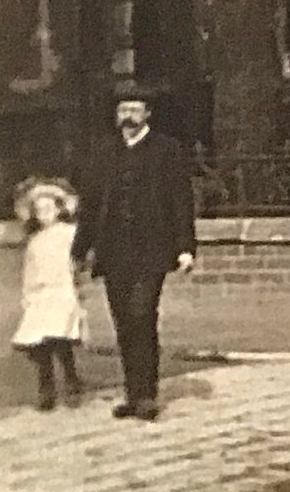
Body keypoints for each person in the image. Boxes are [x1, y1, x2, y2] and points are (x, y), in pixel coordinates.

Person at [71, 81, 196, 421]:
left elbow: (180, 202)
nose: (128, 116)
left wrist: (185, 248)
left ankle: (148, 395)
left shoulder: (167, 151)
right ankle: (132, 392)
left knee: (142, 316)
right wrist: (79, 251)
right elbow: (91, 206)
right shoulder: (103, 151)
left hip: (152, 250)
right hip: (114, 252)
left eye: (134, 110)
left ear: (148, 114)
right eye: (123, 110)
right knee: (124, 322)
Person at [12, 177, 86, 410]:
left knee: (59, 339)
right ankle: (46, 388)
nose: (44, 213)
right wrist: (28, 295)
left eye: (48, 208)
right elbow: (30, 271)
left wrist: (78, 279)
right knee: (38, 343)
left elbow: (79, 257)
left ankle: (71, 380)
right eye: (39, 210)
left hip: (62, 291)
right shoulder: (35, 240)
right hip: (41, 295)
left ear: (59, 209)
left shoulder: (68, 234)